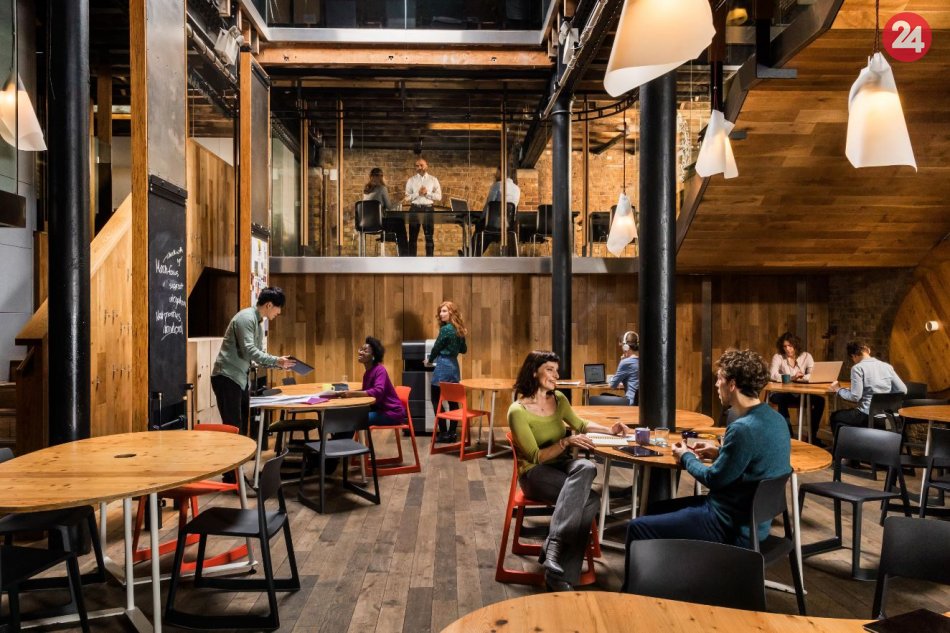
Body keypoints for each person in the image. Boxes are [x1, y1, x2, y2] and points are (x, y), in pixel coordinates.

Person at [623, 349, 791, 589]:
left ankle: (632, 596)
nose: (716, 384)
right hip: (755, 524)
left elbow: (713, 478)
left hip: (729, 526)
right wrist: (720, 451)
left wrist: (686, 456)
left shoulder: (743, 428)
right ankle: (669, 582)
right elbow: (753, 461)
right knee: (654, 509)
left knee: (636, 528)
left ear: (732, 384)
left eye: (719, 378)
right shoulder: (775, 419)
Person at [508, 350, 628, 591]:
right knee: (590, 500)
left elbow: (580, 424)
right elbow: (536, 457)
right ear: (534, 372)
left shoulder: (559, 399)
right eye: (549, 369)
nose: (556, 375)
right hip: (535, 474)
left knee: (586, 466)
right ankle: (560, 576)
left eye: (556, 370)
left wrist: (610, 430)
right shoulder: (517, 411)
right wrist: (565, 442)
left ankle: (553, 546)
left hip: (562, 468)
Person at [211, 287, 295, 438]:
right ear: (269, 305)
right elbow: (249, 350)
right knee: (233, 426)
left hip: (240, 378)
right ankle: (235, 454)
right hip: (227, 376)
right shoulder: (246, 318)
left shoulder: (258, 322)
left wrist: (279, 363)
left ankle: (242, 454)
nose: (279, 312)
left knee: (243, 426)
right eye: (278, 308)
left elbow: (258, 355)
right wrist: (276, 360)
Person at [828, 339, 907, 437]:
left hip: (867, 416)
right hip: (888, 417)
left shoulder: (857, 368)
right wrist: (884, 396)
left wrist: (838, 390)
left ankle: (845, 445)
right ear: (868, 350)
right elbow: (903, 390)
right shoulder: (887, 366)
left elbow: (855, 397)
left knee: (835, 416)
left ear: (853, 356)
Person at [332, 337, 407, 426]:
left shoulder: (380, 370)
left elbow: (378, 391)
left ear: (373, 356)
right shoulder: (367, 373)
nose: (360, 352)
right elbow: (367, 392)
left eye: (365, 351)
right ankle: (340, 435)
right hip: (379, 410)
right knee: (345, 416)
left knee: (351, 420)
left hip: (391, 413)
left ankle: (342, 435)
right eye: (361, 349)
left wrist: (351, 394)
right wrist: (348, 393)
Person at [768, 331, 826, 446]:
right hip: (781, 393)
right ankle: (788, 436)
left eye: (790, 346)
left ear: (796, 345)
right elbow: (772, 375)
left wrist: (803, 377)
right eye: (784, 346)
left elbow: (813, 374)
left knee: (820, 401)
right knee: (782, 399)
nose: (787, 349)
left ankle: (812, 436)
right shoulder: (778, 357)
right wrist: (792, 377)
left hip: (800, 394)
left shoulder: (806, 356)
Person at [426, 301, 467, 443]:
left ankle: (443, 432)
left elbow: (436, 347)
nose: (441, 314)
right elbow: (464, 350)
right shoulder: (459, 329)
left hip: (443, 365)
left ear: (451, 313)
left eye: (444, 311)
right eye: (440, 311)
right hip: (454, 367)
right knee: (453, 401)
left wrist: (430, 360)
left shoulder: (445, 329)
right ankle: (452, 433)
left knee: (436, 399)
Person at [470, 168, 521, 256]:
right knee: (488, 233)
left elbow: (489, 205)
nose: (496, 174)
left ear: (502, 173)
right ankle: (474, 254)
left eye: (497, 172)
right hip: (508, 226)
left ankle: (471, 253)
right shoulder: (517, 189)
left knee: (480, 227)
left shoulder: (497, 185)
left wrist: (481, 218)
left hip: (494, 223)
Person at [364, 167, 406, 256]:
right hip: (378, 224)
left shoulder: (366, 190)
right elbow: (389, 207)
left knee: (397, 223)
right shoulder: (382, 188)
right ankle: (404, 256)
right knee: (400, 223)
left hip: (365, 224)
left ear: (370, 176)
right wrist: (400, 201)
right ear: (381, 177)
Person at [404, 157, 441, 256]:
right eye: (417, 166)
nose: (419, 167)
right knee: (412, 237)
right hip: (414, 209)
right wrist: (418, 194)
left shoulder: (433, 180)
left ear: (426, 166)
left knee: (429, 237)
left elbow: (439, 197)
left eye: (421, 165)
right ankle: (412, 261)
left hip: (428, 209)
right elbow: (407, 197)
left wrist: (426, 193)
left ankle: (429, 261)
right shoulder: (411, 180)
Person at [609, 330, 639, 405]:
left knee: (602, 396)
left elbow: (613, 385)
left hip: (630, 402)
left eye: (622, 345)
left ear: (626, 347)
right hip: (642, 404)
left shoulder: (625, 362)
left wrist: (622, 361)